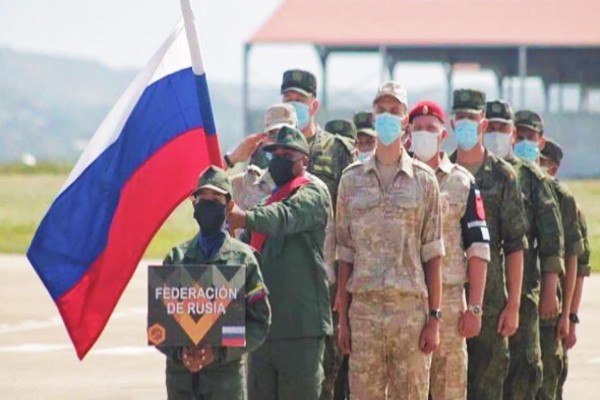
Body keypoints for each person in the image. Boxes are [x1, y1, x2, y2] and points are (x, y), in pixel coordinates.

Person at [336, 81, 445, 399]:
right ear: (373, 118)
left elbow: (433, 255)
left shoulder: (424, 181)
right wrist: (343, 320)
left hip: (410, 314)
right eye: (381, 110)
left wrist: (434, 318)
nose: (387, 116)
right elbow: (345, 255)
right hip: (365, 315)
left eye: (394, 111)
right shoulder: (351, 180)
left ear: (405, 121)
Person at [228, 126, 334, 400]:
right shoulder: (266, 202)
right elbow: (243, 248)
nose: (280, 159)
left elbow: (285, 216)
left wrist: (245, 218)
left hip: (300, 327)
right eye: (275, 154)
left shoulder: (312, 194)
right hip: (264, 328)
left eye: (288, 154)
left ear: (304, 161)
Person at [159, 166, 271, 400]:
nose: (208, 204)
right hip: (182, 384)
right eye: (203, 199)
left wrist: (219, 352)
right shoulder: (177, 258)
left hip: (224, 384)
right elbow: (160, 323)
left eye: (216, 199)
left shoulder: (243, 259)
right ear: (194, 204)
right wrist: (181, 353)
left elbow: (259, 322)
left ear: (229, 206)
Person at [280, 69, 354, 400]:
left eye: (300, 99)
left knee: (326, 376)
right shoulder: (273, 150)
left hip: (326, 285)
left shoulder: (338, 151)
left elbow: (351, 222)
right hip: (282, 284)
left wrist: (344, 287)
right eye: (288, 99)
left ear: (314, 105)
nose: (294, 105)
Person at [483, 100, 565, 400]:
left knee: (522, 378)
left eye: (502, 127)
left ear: (512, 133)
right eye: (490, 127)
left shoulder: (529, 177)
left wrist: (549, 291)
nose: (495, 133)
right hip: (479, 299)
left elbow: (552, 239)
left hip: (524, 298)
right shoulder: (464, 170)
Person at [409, 100, 490, 400]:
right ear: (408, 134)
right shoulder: (398, 179)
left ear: (443, 135)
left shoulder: (462, 182)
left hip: (451, 304)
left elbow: (478, 248)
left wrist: (475, 307)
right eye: (418, 129)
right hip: (407, 302)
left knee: (450, 391)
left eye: (431, 128)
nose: (424, 134)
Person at [449, 89, 527, 400]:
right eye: (460, 117)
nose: (466, 123)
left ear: (482, 122)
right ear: (452, 123)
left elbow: (515, 245)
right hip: (450, 300)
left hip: (492, 304)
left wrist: (513, 305)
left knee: (487, 389)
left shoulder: (503, 176)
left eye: (472, 117)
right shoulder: (441, 171)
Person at [538, 138, 589, 400]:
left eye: (542, 161)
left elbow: (579, 268)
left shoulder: (567, 204)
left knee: (551, 380)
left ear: (554, 168)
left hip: (554, 314)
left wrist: (571, 317)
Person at [230, 103, 297, 212]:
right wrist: (231, 159)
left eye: (285, 134)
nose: (278, 142)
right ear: (264, 139)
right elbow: (204, 191)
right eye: (272, 135)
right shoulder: (245, 184)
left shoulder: (311, 186)